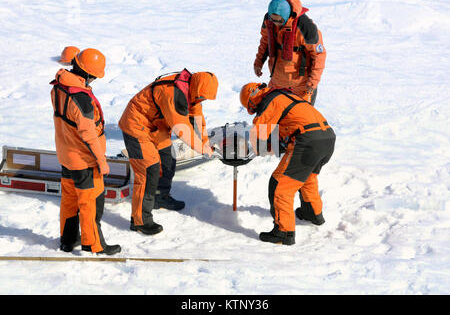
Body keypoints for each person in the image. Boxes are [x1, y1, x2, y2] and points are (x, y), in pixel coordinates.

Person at [118, 68, 217, 235]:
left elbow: (197, 120)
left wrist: (206, 143)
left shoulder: (192, 92)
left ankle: (160, 197)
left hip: (157, 127)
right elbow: (181, 128)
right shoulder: (173, 92)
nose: (202, 100)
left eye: (204, 98)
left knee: (168, 160)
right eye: (201, 97)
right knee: (149, 171)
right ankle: (140, 221)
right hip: (136, 126)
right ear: (196, 87)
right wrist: (202, 149)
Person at [240, 82, 335, 245]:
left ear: (252, 100)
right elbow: (289, 125)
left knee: (279, 185)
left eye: (252, 108)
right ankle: (312, 213)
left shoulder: (269, 101)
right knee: (306, 179)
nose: (254, 111)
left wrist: (255, 150)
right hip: (327, 138)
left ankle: (283, 232)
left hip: (307, 142)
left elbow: (259, 134)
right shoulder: (285, 96)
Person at [50, 48, 121, 255]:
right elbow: (89, 135)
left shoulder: (59, 86)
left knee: (69, 200)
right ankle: (94, 245)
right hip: (84, 161)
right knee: (90, 203)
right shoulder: (81, 99)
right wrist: (102, 161)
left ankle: (68, 240)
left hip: (65, 155)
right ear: (89, 74)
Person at [253, 0, 326, 105]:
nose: (276, 23)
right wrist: (258, 62)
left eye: (279, 21)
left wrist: (313, 82)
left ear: (286, 15)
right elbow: (265, 42)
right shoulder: (268, 21)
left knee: (301, 119)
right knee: (271, 114)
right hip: (277, 81)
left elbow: (319, 55)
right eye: (273, 20)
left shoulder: (306, 27)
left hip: (301, 85)